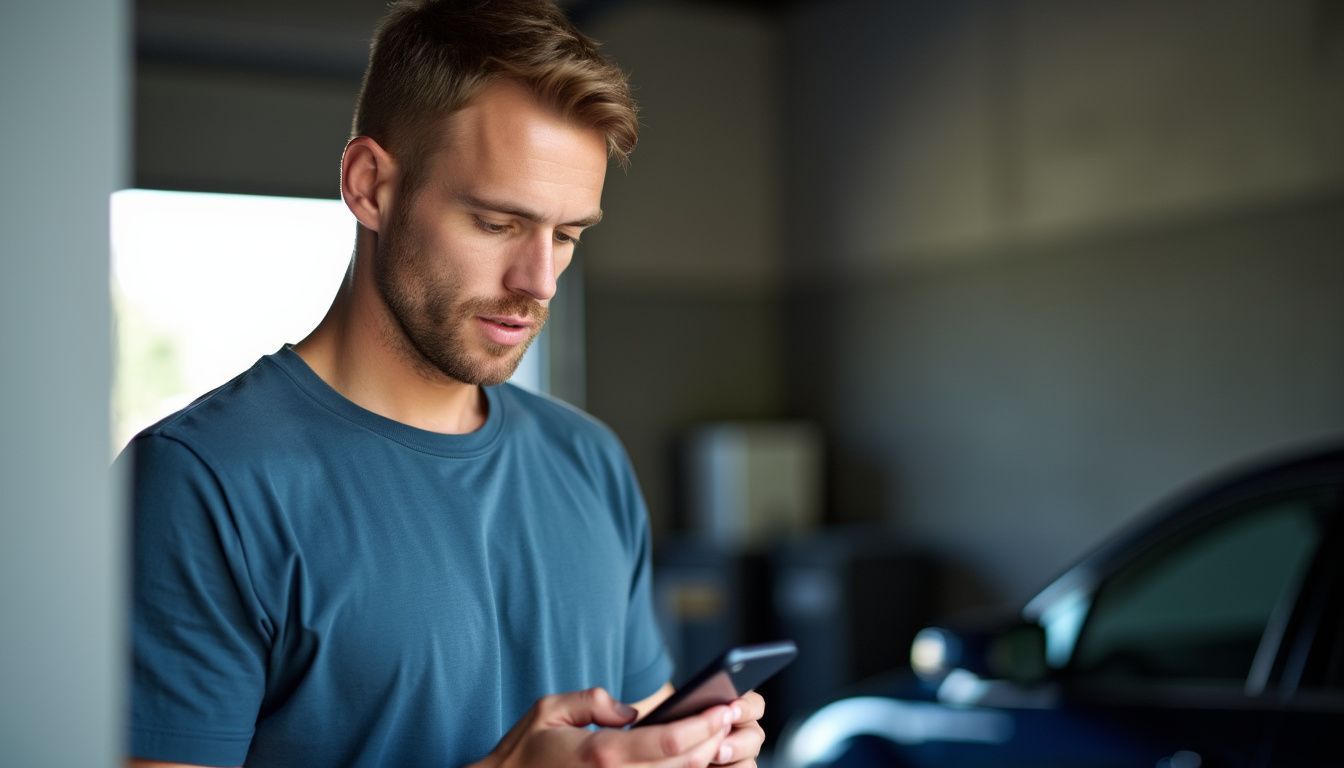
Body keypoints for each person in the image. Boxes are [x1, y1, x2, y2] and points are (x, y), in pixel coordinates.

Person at [117, 1, 767, 766]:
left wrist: (688, 751)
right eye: (496, 223)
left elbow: (633, 730)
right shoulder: (201, 483)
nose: (540, 281)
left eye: (566, 236)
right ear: (369, 186)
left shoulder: (588, 460)